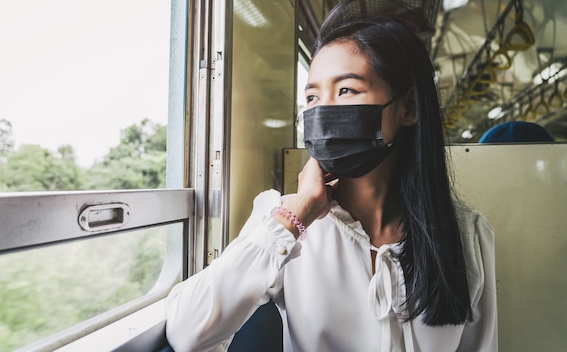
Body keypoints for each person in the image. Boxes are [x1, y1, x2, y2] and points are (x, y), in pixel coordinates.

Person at [165, 1, 498, 351]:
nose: (322, 110)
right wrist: (297, 215)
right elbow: (187, 331)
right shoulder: (284, 221)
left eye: (346, 90)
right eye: (312, 96)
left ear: (409, 108)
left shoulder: (469, 235)